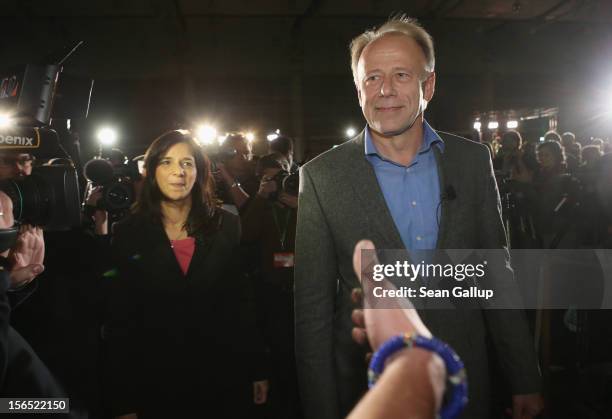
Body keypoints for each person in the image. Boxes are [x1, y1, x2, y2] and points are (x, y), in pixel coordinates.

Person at [294, 14, 543, 419]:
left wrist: (524, 378)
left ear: (429, 85)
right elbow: (312, 315)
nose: (385, 89)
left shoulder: (471, 163)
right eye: (371, 78)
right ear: (358, 91)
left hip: (464, 383)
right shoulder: (322, 178)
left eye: (401, 75)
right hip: (370, 390)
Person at [104, 130, 268, 419]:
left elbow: (240, 303)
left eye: (187, 163)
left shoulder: (227, 225)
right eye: (166, 162)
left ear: (199, 172)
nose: (178, 172)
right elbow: (121, 319)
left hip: (220, 378)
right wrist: (122, 398)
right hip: (156, 382)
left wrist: (257, 367)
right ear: (152, 171)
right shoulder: (130, 232)